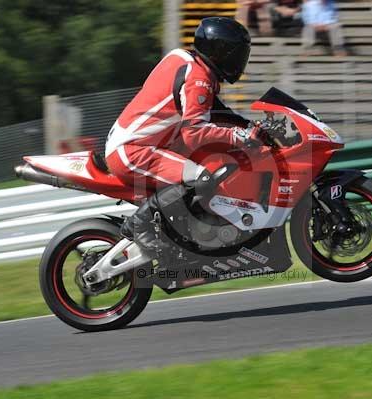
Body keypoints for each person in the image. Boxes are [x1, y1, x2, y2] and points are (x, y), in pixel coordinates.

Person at [105, 17, 260, 252]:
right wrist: (238, 135)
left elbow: (214, 110)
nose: (240, 60)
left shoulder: (183, 59)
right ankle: (138, 226)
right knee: (202, 178)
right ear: (219, 51)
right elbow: (194, 131)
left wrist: (247, 125)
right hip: (134, 150)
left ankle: (184, 236)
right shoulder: (198, 79)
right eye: (235, 53)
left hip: (140, 144)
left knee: (210, 165)